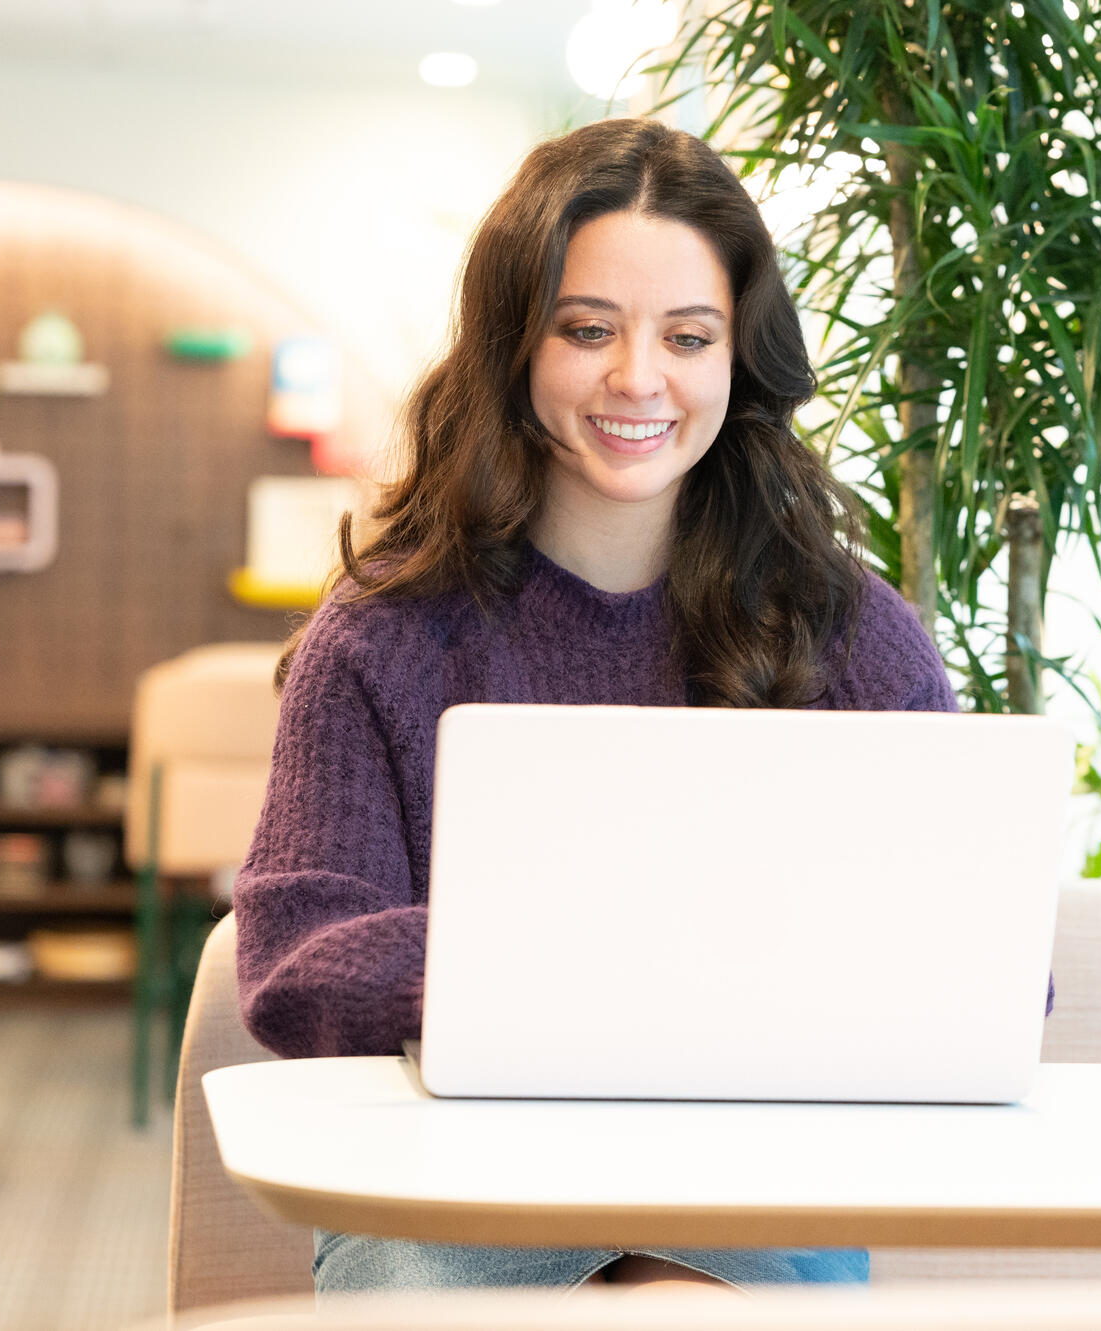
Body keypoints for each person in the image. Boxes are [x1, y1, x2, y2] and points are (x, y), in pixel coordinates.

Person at [233, 116, 1003, 1298]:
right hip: (452, 1182)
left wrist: (575, 974)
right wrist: (654, 970)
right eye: (586, 328)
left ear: (738, 359)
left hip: (751, 1182)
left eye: (687, 336)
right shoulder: (380, 635)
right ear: (512, 346)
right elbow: (296, 961)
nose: (638, 377)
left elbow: (985, 968)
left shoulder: (848, 633)